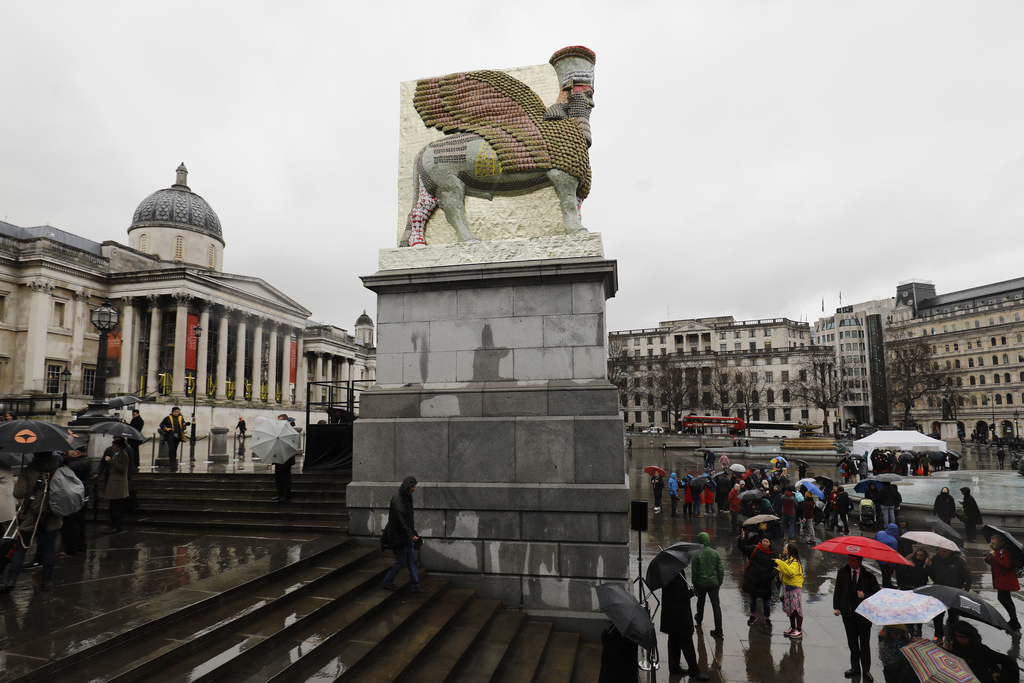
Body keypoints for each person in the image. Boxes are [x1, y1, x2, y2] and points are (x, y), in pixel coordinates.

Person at [2, 452, 62, 593]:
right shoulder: (58, 470)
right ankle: (46, 581)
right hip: (51, 517)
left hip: (30, 517)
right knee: (49, 549)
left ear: (35, 453)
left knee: (21, 548)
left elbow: (18, 494)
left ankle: (11, 579)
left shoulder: (28, 471)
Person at [833, 554, 880, 681]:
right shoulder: (843, 572)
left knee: (864, 643)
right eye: (848, 559)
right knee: (852, 642)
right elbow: (838, 589)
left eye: (852, 560)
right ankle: (855, 667)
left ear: (859, 561)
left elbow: (877, 595)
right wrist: (836, 607)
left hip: (864, 616)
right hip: (848, 613)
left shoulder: (869, 577)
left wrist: (864, 595)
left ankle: (866, 670)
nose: (849, 562)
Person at [381, 476, 429, 594]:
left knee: (411, 559)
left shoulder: (407, 497)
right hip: (401, 536)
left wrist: (412, 533)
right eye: (413, 486)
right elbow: (400, 519)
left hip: (406, 535)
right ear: (408, 486)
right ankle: (387, 581)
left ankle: (415, 585)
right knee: (401, 560)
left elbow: (407, 519)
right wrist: (409, 534)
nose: (414, 489)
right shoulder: (398, 499)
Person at [661, 570, 710, 680]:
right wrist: (690, 593)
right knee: (686, 640)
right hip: (678, 613)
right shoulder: (674, 572)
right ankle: (694, 670)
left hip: (671, 612)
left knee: (674, 639)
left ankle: (674, 667)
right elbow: (677, 594)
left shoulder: (671, 570)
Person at [946, 620, 1019, 683]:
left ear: (970, 636)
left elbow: (1009, 662)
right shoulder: (954, 647)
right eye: (956, 636)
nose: (959, 639)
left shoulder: (981, 650)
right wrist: (947, 651)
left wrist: (1002, 679)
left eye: (962, 636)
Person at [926, 547, 972, 639]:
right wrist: (929, 566)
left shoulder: (959, 562)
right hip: (939, 591)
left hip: (954, 592)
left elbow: (968, 577)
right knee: (938, 616)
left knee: (953, 617)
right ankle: (938, 636)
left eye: (944, 551)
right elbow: (932, 575)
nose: (942, 553)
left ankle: (951, 637)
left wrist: (964, 592)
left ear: (950, 551)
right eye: (940, 550)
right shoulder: (936, 559)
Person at [986, 531, 1022, 632]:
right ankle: (1014, 621)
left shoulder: (1004, 551)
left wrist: (995, 556)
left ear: (1000, 540)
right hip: (1001, 579)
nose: (992, 539)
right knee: (1007, 599)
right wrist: (988, 557)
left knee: (1002, 599)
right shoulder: (996, 550)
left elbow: (1006, 565)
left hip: (1005, 580)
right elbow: (994, 563)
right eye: (992, 537)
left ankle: (1014, 621)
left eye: (995, 538)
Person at [690, 531, 724, 639]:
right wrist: (719, 581)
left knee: (701, 602)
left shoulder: (697, 554)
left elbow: (694, 571)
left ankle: (699, 619)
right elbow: (720, 570)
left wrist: (694, 583)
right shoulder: (715, 553)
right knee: (716, 606)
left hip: (701, 583)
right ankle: (719, 628)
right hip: (714, 583)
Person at [59, 448, 91, 555]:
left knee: (71, 524)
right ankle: (80, 547)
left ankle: (71, 549)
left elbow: (64, 472)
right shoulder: (82, 461)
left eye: (71, 450)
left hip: (75, 497)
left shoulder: (78, 464)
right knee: (79, 523)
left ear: (77, 452)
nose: (68, 451)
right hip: (81, 496)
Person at [98, 438, 131, 534]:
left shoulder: (123, 455)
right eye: (113, 446)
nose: (113, 448)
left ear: (120, 447)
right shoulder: (115, 454)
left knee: (117, 508)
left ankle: (117, 526)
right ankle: (112, 525)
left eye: (115, 446)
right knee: (112, 507)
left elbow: (122, 468)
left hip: (118, 485)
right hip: (113, 483)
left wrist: (111, 461)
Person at [743, 536, 776, 629]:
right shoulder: (755, 549)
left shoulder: (773, 554)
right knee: (753, 599)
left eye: (767, 541)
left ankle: (767, 618)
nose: (765, 543)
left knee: (766, 602)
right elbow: (743, 548)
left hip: (765, 582)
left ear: (770, 543)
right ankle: (752, 615)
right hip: (755, 580)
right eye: (764, 541)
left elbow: (775, 567)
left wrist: (771, 576)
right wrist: (742, 539)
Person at [895, 547, 930, 637]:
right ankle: (911, 630)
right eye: (917, 554)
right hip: (907, 589)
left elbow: (926, 577)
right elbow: (900, 574)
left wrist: (928, 566)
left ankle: (919, 629)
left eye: (921, 555)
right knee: (909, 611)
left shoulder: (925, 565)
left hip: (920, 590)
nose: (918, 557)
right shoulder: (908, 563)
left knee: (918, 611)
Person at [776, 542, 805, 639]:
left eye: (786, 547)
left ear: (790, 551)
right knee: (790, 609)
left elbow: (790, 572)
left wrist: (780, 563)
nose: (784, 548)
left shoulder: (795, 562)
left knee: (797, 609)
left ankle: (799, 630)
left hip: (794, 588)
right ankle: (792, 627)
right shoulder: (787, 560)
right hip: (787, 587)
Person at [271, 414, 297, 503]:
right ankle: (280, 494)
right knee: (278, 477)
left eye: (279, 421)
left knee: (285, 477)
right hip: (277, 456)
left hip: (286, 457)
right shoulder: (277, 431)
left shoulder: (290, 430)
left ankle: (286, 495)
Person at [159, 406, 188, 472]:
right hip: (170, 436)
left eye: (178, 412)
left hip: (178, 436)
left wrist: (184, 426)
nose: (176, 413)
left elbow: (182, 428)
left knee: (174, 450)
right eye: (175, 412)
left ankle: (174, 464)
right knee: (171, 449)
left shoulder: (181, 418)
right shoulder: (168, 418)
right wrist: (166, 429)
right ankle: (171, 464)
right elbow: (161, 425)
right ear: (172, 412)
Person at [874, 523, 899, 588]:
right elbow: (893, 554)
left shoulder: (880, 533)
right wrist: (893, 565)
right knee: (887, 575)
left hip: (878, 557)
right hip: (886, 561)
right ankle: (886, 587)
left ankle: (888, 584)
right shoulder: (893, 541)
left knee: (884, 574)